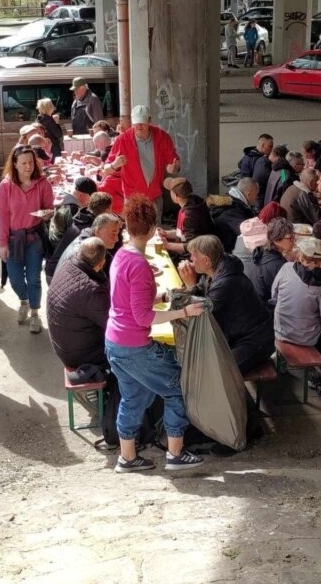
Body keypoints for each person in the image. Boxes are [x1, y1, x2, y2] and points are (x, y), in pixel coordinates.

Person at [105, 194, 205, 473]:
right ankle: (175, 454)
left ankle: (127, 457)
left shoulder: (121, 255)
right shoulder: (139, 265)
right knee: (176, 388)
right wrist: (184, 312)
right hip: (135, 346)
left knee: (133, 398)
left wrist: (161, 294)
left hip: (115, 342)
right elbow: (144, 317)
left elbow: (128, 301)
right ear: (151, 229)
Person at [179, 235, 275, 374]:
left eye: (193, 256)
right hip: (236, 335)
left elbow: (202, 313)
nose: (191, 260)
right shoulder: (215, 269)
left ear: (206, 260)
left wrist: (190, 286)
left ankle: (237, 396)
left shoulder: (226, 282)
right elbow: (202, 293)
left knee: (219, 373)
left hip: (255, 340)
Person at [0, 146, 55, 334]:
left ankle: (36, 314)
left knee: (34, 278)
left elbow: (49, 209)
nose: (28, 166)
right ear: (14, 164)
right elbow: (3, 216)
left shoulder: (43, 184)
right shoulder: (6, 186)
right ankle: (24, 301)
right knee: (15, 279)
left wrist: (46, 214)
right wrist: (2, 243)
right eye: (23, 163)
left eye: (31, 162)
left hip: (34, 237)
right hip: (13, 239)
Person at [271, 236, 321, 354]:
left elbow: (274, 294)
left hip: (280, 329)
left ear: (300, 256)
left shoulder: (286, 268)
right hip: (305, 338)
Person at [46, 237, 111, 370]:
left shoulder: (67, 265)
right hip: (80, 355)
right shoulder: (91, 291)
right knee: (129, 351)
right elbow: (113, 323)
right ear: (101, 264)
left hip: (64, 344)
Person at [105, 105, 180, 220]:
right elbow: (105, 170)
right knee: (134, 233)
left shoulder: (162, 137)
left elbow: (175, 162)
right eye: (136, 123)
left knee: (155, 233)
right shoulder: (122, 140)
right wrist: (114, 165)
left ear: (149, 120)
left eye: (142, 123)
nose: (139, 127)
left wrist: (174, 168)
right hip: (132, 198)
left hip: (155, 196)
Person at [45, 192, 114, 282]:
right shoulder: (93, 230)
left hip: (53, 268)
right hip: (59, 274)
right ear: (107, 210)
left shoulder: (80, 218)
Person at [157, 178, 214, 255]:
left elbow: (192, 245)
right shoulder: (196, 202)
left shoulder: (189, 216)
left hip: (193, 259)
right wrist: (166, 233)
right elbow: (184, 234)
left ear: (176, 196)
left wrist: (168, 245)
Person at [245, 217, 296, 304]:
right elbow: (291, 293)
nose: (294, 240)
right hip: (268, 309)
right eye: (290, 238)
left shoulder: (261, 250)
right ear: (276, 240)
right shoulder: (278, 266)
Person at [212, 177, 259, 254]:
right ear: (249, 194)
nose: (257, 198)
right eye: (256, 194)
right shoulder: (234, 210)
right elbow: (246, 231)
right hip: (229, 252)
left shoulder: (233, 203)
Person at [49, 176, 97, 248]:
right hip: (59, 248)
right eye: (91, 197)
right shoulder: (74, 210)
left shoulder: (64, 198)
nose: (91, 201)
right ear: (81, 195)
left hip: (53, 240)